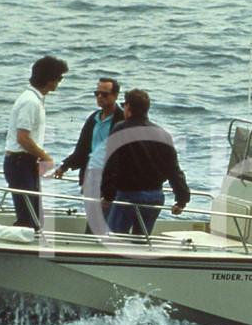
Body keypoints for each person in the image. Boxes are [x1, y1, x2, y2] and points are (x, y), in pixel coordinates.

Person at [101, 88, 190, 236]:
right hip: (154, 196)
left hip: (128, 195)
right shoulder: (162, 134)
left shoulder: (120, 130)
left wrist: (108, 195)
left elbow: (111, 166)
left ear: (128, 107)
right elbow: (174, 170)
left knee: (114, 238)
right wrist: (182, 200)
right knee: (141, 240)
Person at [3, 55, 68, 228]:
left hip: (26, 162)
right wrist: (46, 157)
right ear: (50, 80)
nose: (59, 82)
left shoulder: (35, 99)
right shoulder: (31, 102)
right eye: (59, 78)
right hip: (19, 162)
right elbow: (22, 137)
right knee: (28, 218)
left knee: (36, 216)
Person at [53, 77, 124, 233]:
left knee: (105, 215)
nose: (100, 97)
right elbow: (82, 149)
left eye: (104, 94)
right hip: (90, 173)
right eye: (97, 93)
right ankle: (91, 240)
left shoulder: (121, 119)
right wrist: (65, 166)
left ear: (115, 95)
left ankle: (95, 244)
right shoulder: (94, 118)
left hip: (110, 176)